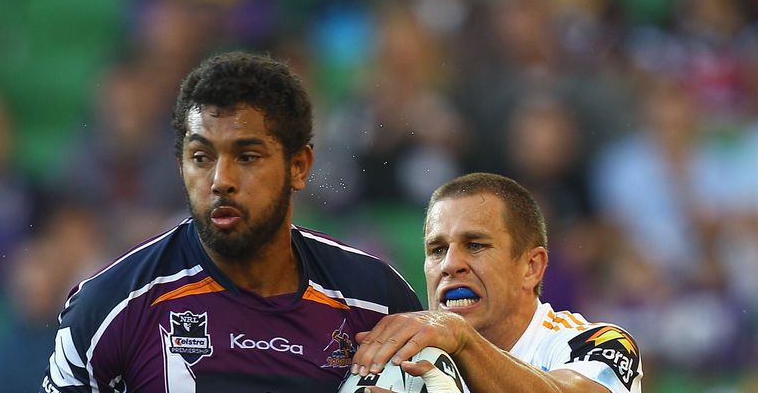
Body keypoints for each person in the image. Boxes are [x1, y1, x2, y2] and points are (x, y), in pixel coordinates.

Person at [40, 51, 422, 392]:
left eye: (247, 156)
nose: (221, 180)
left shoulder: (376, 300)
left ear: (299, 166)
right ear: (180, 166)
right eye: (201, 157)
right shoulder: (110, 306)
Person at [349, 172, 643, 393]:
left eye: (475, 245)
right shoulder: (399, 366)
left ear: (531, 267)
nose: (451, 265)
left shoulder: (598, 344)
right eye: (437, 250)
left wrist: (462, 338)